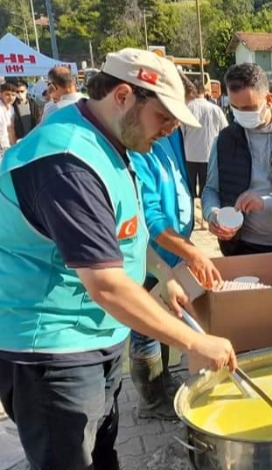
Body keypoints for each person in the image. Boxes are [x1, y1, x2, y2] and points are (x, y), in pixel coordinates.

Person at [0, 48, 237, 470]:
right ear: (124, 96)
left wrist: (162, 277)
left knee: (102, 453)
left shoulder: (109, 143)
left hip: (96, 334)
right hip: (53, 348)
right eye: (163, 118)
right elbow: (106, 283)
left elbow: (123, 235)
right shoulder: (68, 163)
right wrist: (196, 342)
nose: (168, 131)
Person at [127, 72, 223, 420]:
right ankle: (151, 400)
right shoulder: (136, 149)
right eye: (164, 118)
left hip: (174, 249)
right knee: (146, 327)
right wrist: (191, 252)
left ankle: (163, 379)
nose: (169, 127)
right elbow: (149, 218)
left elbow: (179, 186)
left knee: (167, 314)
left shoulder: (167, 138)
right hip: (149, 258)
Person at [202, 63, 272, 256]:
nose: (241, 114)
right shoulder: (224, 140)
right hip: (241, 247)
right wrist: (212, 214)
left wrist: (264, 202)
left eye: (248, 108)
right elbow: (211, 189)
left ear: (269, 99)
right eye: (235, 108)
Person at [184, 78, 229, 199]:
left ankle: (193, 210)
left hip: (189, 154)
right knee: (207, 187)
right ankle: (205, 210)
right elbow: (225, 130)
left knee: (189, 187)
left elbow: (181, 133)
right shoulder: (215, 109)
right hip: (209, 153)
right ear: (204, 92)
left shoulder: (187, 108)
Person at [0, 82, 15, 157]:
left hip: (7, 147)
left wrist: (14, 145)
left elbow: (11, 129)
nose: (11, 97)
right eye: (7, 94)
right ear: (1, 94)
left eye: (13, 95)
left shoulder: (11, 108)